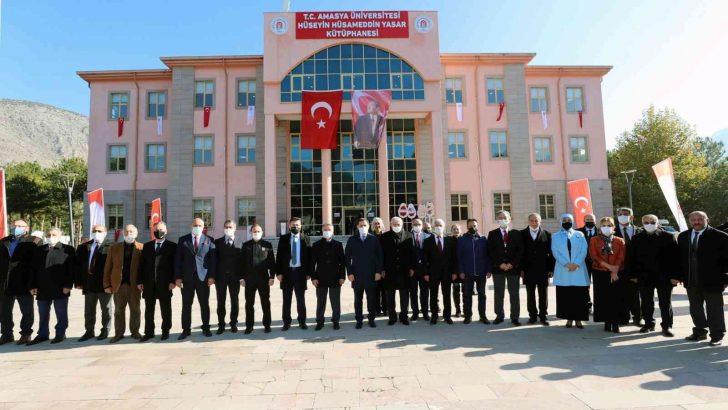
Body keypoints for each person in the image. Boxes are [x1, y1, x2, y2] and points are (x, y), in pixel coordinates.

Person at [676, 211, 728, 346]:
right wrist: (678, 276)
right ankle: (700, 332)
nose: (696, 222)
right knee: (695, 308)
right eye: (693, 219)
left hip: (713, 281)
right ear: (689, 221)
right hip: (691, 280)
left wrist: (725, 280)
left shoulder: (720, 236)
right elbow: (679, 259)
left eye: (700, 219)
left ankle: (717, 335)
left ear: (707, 220)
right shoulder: (683, 236)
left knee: (714, 309)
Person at [628, 215, 679, 336]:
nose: (649, 224)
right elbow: (631, 258)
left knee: (665, 303)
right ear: (642, 223)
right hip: (644, 276)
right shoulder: (636, 238)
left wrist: (676, 276)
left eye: (652, 222)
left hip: (664, 277)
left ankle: (667, 326)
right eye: (646, 222)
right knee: (646, 302)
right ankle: (648, 324)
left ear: (657, 223)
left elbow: (676, 259)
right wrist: (632, 275)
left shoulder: (668, 237)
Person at [27, 228, 75, 345]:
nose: (50, 236)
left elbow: (72, 269)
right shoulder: (39, 250)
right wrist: (32, 285)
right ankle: (43, 334)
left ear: (60, 235)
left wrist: (68, 285)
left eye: (54, 234)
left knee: (61, 312)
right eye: (48, 235)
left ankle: (60, 333)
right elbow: (33, 269)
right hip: (42, 288)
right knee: (43, 313)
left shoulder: (68, 249)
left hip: (61, 288)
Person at [0, 219, 42, 345]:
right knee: (4, 310)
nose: (16, 227)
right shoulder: (4, 242)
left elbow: (37, 263)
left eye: (20, 226)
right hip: (5, 282)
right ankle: (7, 334)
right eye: (14, 225)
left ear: (26, 228)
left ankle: (26, 334)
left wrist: (35, 283)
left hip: (24, 282)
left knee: (27, 310)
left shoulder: (34, 241)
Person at [175, 218, 216, 340]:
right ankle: (186, 330)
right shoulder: (183, 240)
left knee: (204, 304)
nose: (197, 227)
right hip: (187, 279)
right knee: (186, 305)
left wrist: (212, 277)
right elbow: (178, 260)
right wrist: (177, 277)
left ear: (203, 227)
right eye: (195, 225)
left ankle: (206, 327)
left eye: (199, 225)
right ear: (191, 226)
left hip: (203, 278)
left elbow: (213, 261)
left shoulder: (209, 240)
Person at [103, 224, 143, 343]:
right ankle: (118, 333)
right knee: (119, 310)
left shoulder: (141, 247)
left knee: (135, 310)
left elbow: (144, 268)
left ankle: (135, 332)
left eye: (131, 232)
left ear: (136, 233)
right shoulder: (114, 248)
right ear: (122, 234)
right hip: (118, 285)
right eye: (126, 232)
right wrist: (107, 284)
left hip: (134, 285)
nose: (129, 234)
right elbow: (108, 268)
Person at [137, 222, 177, 341]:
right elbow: (141, 265)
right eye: (156, 229)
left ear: (166, 231)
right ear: (153, 231)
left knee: (165, 309)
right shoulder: (147, 246)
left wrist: (173, 281)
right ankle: (149, 332)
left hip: (165, 284)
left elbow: (174, 266)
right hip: (149, 284)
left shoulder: (172, 246)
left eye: (161, 229)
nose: (158, 231)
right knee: (149, 309)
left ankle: (165, 331)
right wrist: (140, 281)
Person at [551, 213, 590, 329]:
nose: (566, 222)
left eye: (569, 220)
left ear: (573, 221)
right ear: (561, 222)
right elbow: (555, 251)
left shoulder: (580, 234)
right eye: (564, 220)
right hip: (564, 270)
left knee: (579, 296)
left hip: (578, 269)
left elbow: (583, 250)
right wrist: (566, 264)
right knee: (566, 296)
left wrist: (576, 263)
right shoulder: (555, 236)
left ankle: (578, 319)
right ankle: (569, 319)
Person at [589, 217, 627, 333]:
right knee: (603, 298)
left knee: (616, 298)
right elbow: (594, 255)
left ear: (613, 227)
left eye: (609, 225)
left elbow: (621, 256)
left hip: (616, 273)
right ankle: (607, 321)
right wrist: (609, 267)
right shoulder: (594, 240)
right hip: (600, 272)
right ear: (600, 227)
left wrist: (615, 270)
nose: (607, 228)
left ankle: (616, 323)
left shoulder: (619, 240)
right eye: (604, 225)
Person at [75, 225, 112, 341]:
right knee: (89, 310)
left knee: (106, 309)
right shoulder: (84, 247)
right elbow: (78, 266)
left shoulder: (111, 246)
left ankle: (105, 330)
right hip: (89, 283)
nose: (97, 233)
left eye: (99, 231)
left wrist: (111, 283)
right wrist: (78, 282)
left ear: (105, 232)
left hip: (104, 285)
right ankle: (89, 331)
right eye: (94, 231)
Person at [344, 218, 383, 329]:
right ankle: (359, 320)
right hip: (357, 275)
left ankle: (371, 319)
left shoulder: (374, 239)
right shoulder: (352, 240)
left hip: (371, 274)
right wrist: (349, 273)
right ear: (357, 227)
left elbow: (379, 257)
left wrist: (378, 272)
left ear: (368, 226)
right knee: (358, 299)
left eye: (364, 225)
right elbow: (347, 258)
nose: (363, 227)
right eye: (360, 225)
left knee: (371, 299)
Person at [488, 210, 524, 326]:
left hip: (513, 269)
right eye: (500, 217)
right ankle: (499, 316)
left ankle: (515, 317)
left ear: (509, 219)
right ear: (497, 219)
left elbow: (520, 251)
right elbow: (490, 251)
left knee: (514, 293)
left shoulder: (516, 233)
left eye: (505, 217)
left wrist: (512, 264)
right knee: (498, 293)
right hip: (498, 269)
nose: (503, 219)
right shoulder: (492, 234)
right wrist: (499, 264)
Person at [276, 217, 312, 331]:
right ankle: (286, 322)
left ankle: (302, 321)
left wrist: (309, 273)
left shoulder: (306, 239)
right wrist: (279, 273)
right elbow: (279, 257)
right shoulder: (283, 239)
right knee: (286, 299)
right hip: (287, 273)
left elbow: (310, 258)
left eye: (297, 225)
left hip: (300, 273)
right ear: (289, 226)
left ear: (301, 226)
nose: (295, 227)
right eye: (293, 225)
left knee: (300, 299)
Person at [380, 217, 416, 326]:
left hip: (404, 271)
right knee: (389, 296)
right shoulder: (384, 236)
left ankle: (404, 316)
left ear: (402, 224)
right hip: (389, 271)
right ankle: (392, 317)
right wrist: (381, 269)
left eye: (398, 223)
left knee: (404, 295)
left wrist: (412, 268)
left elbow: (413, 253)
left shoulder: (409, 235)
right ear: (390, 224)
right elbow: (381, 254)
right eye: (394, 224)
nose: (396, 225)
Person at [240, 224, 275, 334]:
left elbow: (272, 263)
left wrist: (272, 276)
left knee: (265, 302)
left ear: (262, 232)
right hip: (249, 280)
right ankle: (249, 326)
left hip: (263, 279)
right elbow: (241, 264)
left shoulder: (267, 245)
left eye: (258, 231)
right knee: (249, 303)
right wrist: (241, 278)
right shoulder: (246, 246)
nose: (256, 233)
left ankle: (267, 325)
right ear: (251, 232)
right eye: (254, 231)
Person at [520, 213, 555, 326]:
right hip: (528, 269)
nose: (534, 222)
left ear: (540, 221)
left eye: (536, 220)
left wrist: (551, 269)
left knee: (543, 294)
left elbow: (551, 253)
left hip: (543, 269)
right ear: (528, 221)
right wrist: (521, 269)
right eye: (532, 220)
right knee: (530, 294)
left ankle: (543, 316)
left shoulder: (547, 234)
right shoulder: (522, 234)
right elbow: (520, 253)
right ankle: (532, 316)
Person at [310, 223, 346, 330]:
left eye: (329, 229)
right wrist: (314, 277)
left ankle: (336, 320)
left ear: (333, 231)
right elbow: (312, 263)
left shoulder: (338, 245)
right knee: (321, 301)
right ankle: (320, 321)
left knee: (335, 301)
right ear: (322, 231)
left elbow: (342, 263)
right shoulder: (316, 245)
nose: (327, 231)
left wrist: (342, 276)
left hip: (335, 277)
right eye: (325, 229)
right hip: (321, 278)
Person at [423, 219, 458, 325]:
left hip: (447, 273)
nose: (438, 227)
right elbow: (425, 259)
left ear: (444, 226)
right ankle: (434, 315)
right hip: (433, 273)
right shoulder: (428, 241)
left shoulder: (450, 240)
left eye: (440, 225)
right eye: (436, 225)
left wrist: (454, 272)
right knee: (433, 295)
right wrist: (426, 273)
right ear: (433, 227)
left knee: (447, 294)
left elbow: (454, 258)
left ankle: (447, 316)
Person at [457, 218, 491, 324]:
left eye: (475, 225)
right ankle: (468, 316)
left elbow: (488, 256)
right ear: (467, 226)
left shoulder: (483, 239)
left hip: (481, 272)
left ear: (477, 226)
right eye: (471, 226)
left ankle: (483, 316)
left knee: (482, 295)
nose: (473, 227)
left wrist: (488, 270)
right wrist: (461, 271)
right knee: (467, 295)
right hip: (467, 273)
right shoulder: (462, 240)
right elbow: (459, 257)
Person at [214, 220, 244, 334]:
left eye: (230, 227)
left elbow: (242, 262)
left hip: (235, 277)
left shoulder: (240, 242)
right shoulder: (217, 242)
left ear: (235, 228)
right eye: (226, 227)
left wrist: (242, 277)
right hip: (220, 277)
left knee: (234, 301)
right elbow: (214, 260)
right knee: (220, 301)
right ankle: (221, 324)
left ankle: (233, 323)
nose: (228, 229)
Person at [615, 207, 641, 326]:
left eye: (626, 214)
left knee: (636, 295)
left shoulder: (640, 231)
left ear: (632, 217)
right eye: (620, 214)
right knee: (620, 294)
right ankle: (623, 317)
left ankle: (638, 317)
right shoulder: (612, 230)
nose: (623, 216)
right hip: (618, 268)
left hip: (636, 269)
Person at [409, 218, 430, 321]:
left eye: (419, 224)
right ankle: (415, 312)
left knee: (425, 292)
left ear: (422, 225)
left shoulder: (428, 237)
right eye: (415, 224)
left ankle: (425, 312)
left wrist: (427, 271)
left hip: (424, 270)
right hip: (413, 270)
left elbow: (430, 255)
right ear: (412, 225)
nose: (417, 225)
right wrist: (411, 268)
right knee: (413, 292)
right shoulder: (408, 237)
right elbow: (406, 255)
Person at [577, 213, 597, 313]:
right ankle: (587, 305)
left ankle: (598, 305)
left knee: (598, 284)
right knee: (585, 285)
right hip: (583, 263)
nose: (590, 221)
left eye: (592, 219)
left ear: (595, 220)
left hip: (598, 263)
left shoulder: (601, 231)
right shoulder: (577, 232)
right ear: (584, 221)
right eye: (588, 219)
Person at [371, 217, 387, 318]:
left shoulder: (386, 237)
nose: (377, 225)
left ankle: (385, 309)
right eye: (375, 223)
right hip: (373, 268)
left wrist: (384, 269)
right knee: (375, 290)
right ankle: (377, 309)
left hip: (385, 267)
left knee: (385, 290)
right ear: (373, 225)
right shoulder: (370, 237)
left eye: (379, 223)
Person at [450, 224, 464, 317]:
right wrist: (453, 272)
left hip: (463, 270)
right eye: (454, 229)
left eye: (457, 229)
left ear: (460, 230)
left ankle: (466, 309)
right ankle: (458, 310)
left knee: (466, 291)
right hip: (454, 271)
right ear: (451, 231)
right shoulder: (449, 241)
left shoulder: (464, 240)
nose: (456, 231)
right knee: (456, 291)